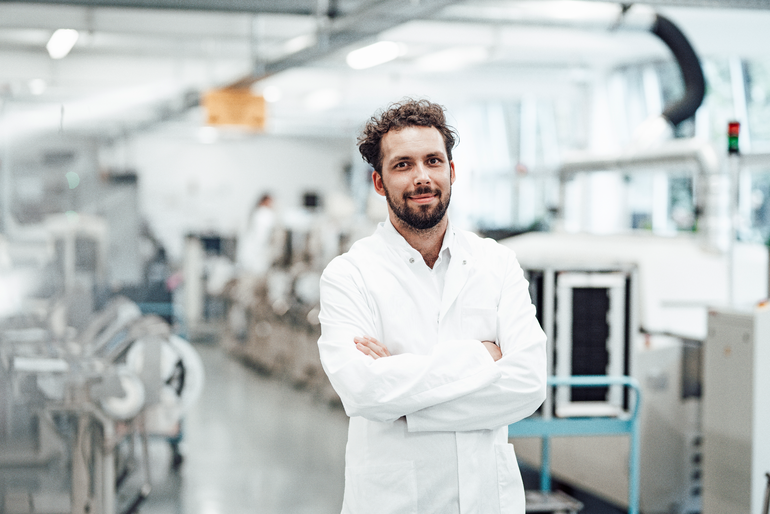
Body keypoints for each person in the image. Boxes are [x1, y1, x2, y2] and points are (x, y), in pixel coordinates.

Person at [317, 99, 547, 514]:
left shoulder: (496, 262)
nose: (422, 177)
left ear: (452, 171)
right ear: (379, 183)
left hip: (486, 500)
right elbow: (365, 391)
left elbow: (528, 384)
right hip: (395, 501)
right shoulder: (349, 275)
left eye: (433, 161)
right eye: (402, 165)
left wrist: (408, 410)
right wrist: (482, 357)